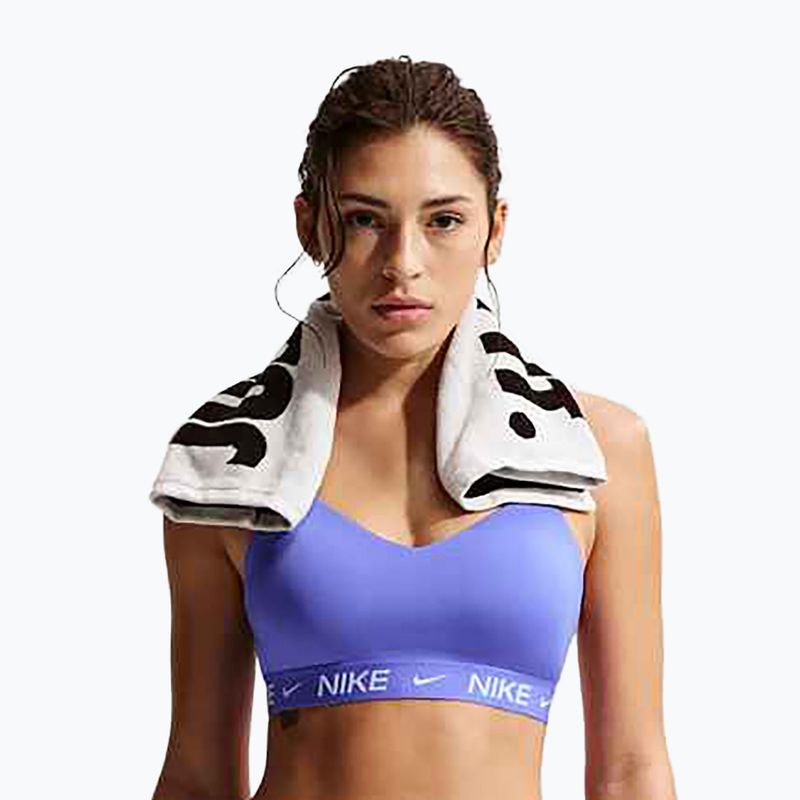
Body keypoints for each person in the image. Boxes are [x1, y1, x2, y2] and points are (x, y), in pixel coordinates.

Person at [151, 56, 677, 800]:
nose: (403, 263)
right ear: (310, 224)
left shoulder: (596, 450)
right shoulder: (227, 466)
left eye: (443, 221)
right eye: (364, 219)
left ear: (495, 229)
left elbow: (632, 770)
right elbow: (197, 777)